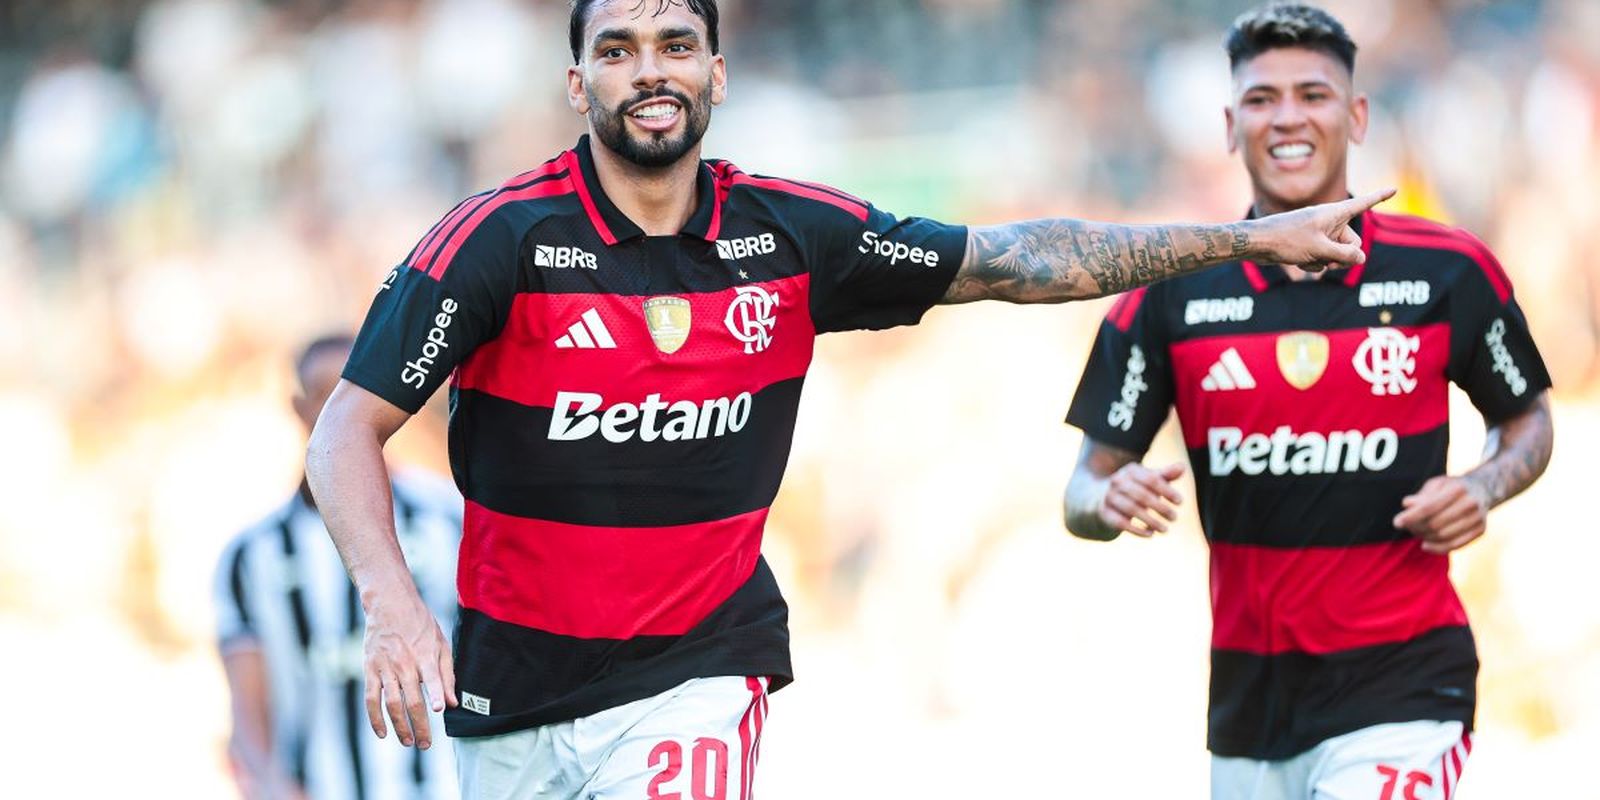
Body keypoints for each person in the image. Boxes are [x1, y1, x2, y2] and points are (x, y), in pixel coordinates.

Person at [304, 1, 1389, 797]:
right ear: (577, 83)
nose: (650, 71)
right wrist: (391, 601)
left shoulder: (791, 233)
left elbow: (1019, 260)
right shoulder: (497, 239)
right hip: (512, 690)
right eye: (618, 50)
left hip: (695, 673)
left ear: (717, 73)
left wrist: (1245, 238)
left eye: (676, 45)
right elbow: (348, 427)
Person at [1061, 4, 1555, 798]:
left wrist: (1483, 486)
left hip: (1403, 691)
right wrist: (1106, 497)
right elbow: (1082, 489)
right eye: (1262, 99)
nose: (1287, 117)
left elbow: (1526, 419)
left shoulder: (1449, 271)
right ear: (1231, 126)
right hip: (1249, 719)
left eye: (1313, 94)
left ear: (1356, 116)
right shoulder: (1170, 293)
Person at [215, 335, 463, 800]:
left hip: (444, 786)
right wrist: (269, 786)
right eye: (323, 393)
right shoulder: (252, 556)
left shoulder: (448, 519)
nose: (339, 411)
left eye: (354, 392)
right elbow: (247, 711)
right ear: (298, 408)